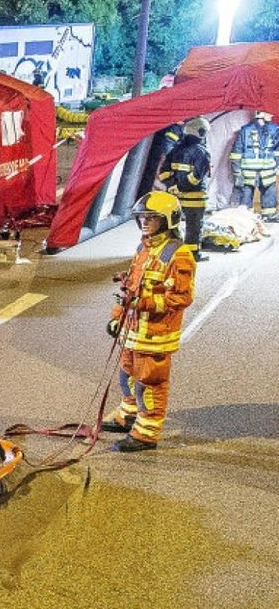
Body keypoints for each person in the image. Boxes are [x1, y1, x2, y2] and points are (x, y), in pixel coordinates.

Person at [101, 191, 195, 452]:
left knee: (149, 384)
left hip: (155, 335)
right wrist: (116, 318)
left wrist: (144, 303)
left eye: (152, 218)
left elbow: (181, 297)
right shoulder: (143, 248)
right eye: (142, 217)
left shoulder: (179, 255)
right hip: (132, 330)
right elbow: (130, 286)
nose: (145, 222)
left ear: (168, 220)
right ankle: (128, 417)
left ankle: (145, 434)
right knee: (126, 375)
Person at [158, 117, 211, 261]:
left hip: (176, 197)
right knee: (194, 227)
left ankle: (170, 253)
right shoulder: (202, 153)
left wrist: (172, 185)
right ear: (201, 132)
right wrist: (181, 186)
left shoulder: (175, 150)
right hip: (195, 198)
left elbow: (163, 171)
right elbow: (196, 177)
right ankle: (192, 255)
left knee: (172, 226)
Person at [229, 110, 279, 222]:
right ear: (261, 114)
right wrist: (237, 172)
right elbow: (236, 153)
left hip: (262, 171)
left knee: (268, 194)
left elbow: (277, 150)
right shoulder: (246, 130)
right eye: (269, 112)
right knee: (247, 195)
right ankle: (247, 218)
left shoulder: (274, 129)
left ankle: (266, 216)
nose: (272, 114)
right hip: (256, 172)